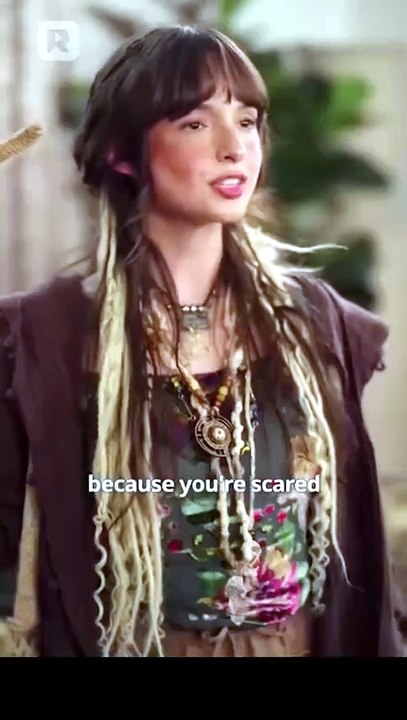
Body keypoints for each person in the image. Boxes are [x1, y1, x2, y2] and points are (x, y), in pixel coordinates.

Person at [0, 24, 403, 658]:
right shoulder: (48, 338)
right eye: (195, 123)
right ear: (122, 154)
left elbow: (357, 538)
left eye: (246, 121)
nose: (233, 147)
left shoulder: (313, 322)